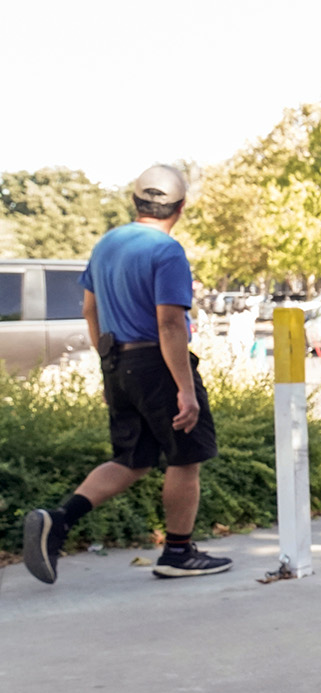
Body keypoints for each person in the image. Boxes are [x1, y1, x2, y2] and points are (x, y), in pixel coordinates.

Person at [21, 165, 232, 583]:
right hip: (158, 365)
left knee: (131, 460)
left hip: (118, 362)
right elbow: (170, 324)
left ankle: (59, 520)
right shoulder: (167, 250)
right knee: (185, 457)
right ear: (181, 207)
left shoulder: (106, 244)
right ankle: (178, 552)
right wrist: (185, 391)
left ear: (136, 202)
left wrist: (107, 371)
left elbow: (89, 309)